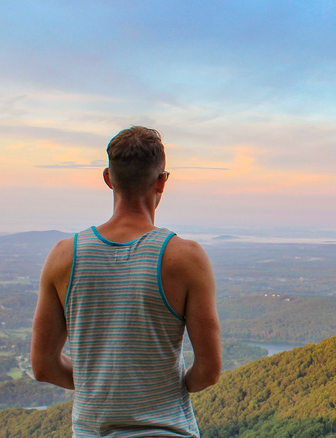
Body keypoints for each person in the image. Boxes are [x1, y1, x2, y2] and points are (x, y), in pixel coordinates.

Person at [31, 126, 222, 437]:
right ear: (162, 180)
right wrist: (167, 389)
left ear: (108, 178)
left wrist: (100, 384)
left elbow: (43, 366)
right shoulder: (186, 258)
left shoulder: (63, 256)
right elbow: (209, 371)